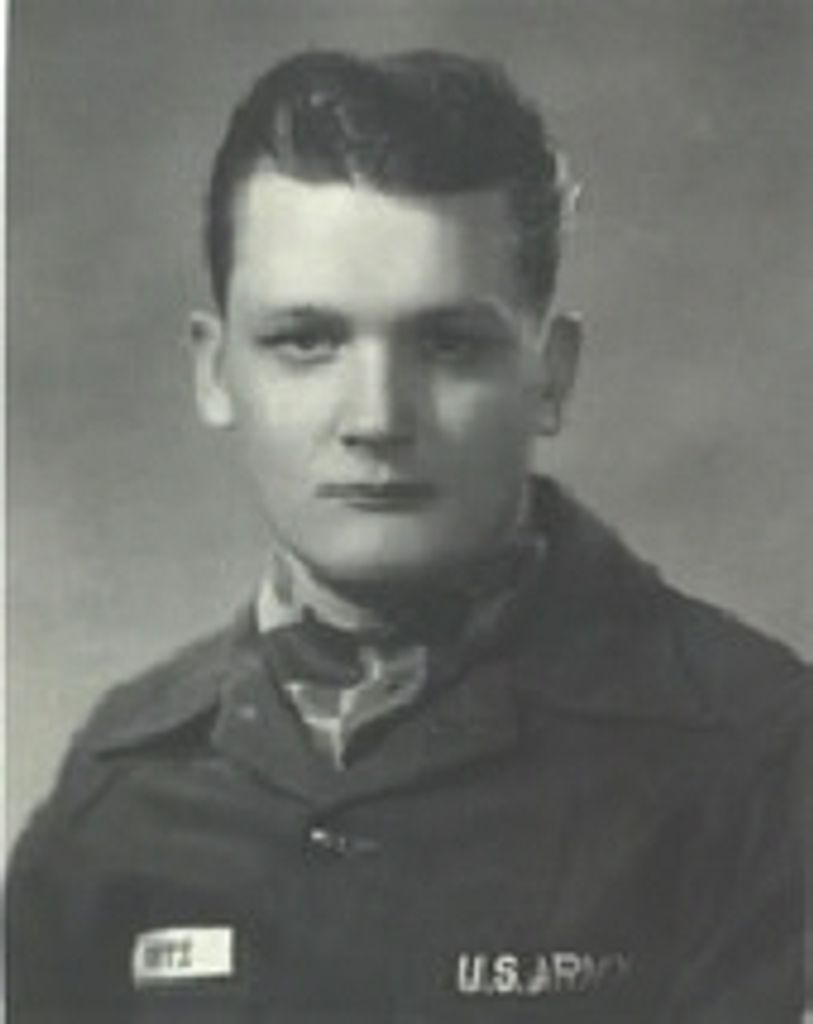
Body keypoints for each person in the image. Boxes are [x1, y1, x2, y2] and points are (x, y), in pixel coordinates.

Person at [7, 49, 807, 1023]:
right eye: (306, 340)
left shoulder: (758, 757)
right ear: (215, 373)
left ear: (549, 375)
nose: (377, 417)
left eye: (449, 344)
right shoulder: (117, 791)